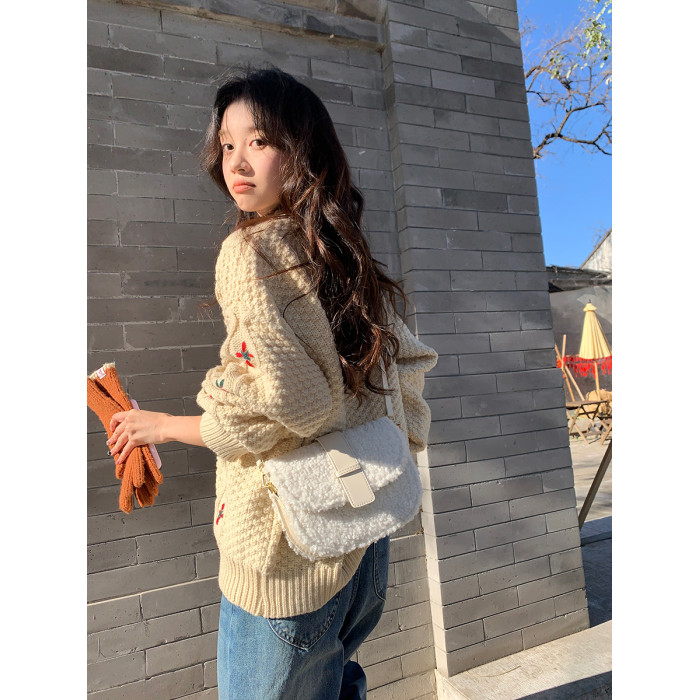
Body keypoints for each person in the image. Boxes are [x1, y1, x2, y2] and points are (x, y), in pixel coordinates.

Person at [106, 67, 438, 700]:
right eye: (227, 144)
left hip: (287, 556)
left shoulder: (249, 252)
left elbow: (291, 404)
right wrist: (393, 439)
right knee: (340, 683)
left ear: (302, 150)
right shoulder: (343, 253)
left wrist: (166, 426)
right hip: (365, 537)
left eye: (259, 141)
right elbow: (407, 363)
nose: (236, 161)